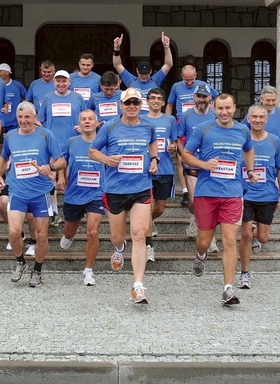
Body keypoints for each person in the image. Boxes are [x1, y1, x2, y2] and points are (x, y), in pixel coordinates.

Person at [181, 93, 256, 307]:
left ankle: (228, 289)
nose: (224, 112)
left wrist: (249, 170)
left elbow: (249, 149)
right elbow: (185, 154)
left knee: (230, 240)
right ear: (214, 108)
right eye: (220, 108)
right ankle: (201, 254)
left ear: (235, 108)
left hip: (232, 194)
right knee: (204, 240)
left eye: (228, 108)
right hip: (206, 193)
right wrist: (203, 165)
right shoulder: (203, 129)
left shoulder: (243, 130)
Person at [89, 88, 159, 304]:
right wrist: (107, 160)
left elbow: (153, 142)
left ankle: (138, 286)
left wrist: (154, 159)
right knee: (118, 237)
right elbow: (93, 150)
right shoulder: (110, 126)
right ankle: (119, 249)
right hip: (116, 190)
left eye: (136, 103)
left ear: (141, 105)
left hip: (141, 188)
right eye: (128, 103)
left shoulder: (148, 125)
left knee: (139, 234)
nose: (132, 107)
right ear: (121, 105)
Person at [0, 101, 66, 287]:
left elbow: (62, 161)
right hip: (17, 191)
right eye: (20, 117)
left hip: (41, 192)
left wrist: (49, 167)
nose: (23, 120)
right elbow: (3, 157)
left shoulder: (45, 135)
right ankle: (20, 262)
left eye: (27, 117)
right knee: (14, 231)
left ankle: (38, 270)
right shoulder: (10, 135)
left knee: (41, 235)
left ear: (35, 118)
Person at [237, 104, 280, 290]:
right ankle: (244, 273)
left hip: (268, 195)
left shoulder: (275, 141)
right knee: (245, 235)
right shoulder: (241, 140)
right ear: (248, 119)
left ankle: (255, 231)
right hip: (245, 195)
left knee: (263, 237)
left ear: (266, 120)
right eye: (254, 117)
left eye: (261, 117)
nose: (258, 120)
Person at [56, 110, 106, 285]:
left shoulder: (103, 142)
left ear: (96, 122)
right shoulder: (72, 142)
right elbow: (63, 161)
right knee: (70, 230)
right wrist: (61, 176)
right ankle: (69, 236)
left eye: (90, 119)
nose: (87, 122)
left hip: (97, 193)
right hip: (74, 193)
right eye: (83, 119)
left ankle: (88, 271)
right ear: (79, 123)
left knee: (92, 231)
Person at [38, 69, 87, 224]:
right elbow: (39, 120)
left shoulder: (78, 98)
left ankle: (73, 212)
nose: (61, 84)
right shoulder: (47, 98)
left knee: (70, 178)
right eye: (58, 81)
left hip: (73, 143)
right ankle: (53, 213)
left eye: (64, 81)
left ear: (69, 82)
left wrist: (82, 127)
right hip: (52, 144)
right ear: (54, 82)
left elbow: (85, 118)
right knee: (51, 178)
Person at [165, 64, 217, 207]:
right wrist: (166, 122)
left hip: (204, 118)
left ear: (196, 76)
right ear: (182, 77)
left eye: (192, 80)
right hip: (183, 121)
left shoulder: (203, 85)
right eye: (186, 80)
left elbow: (218, 97)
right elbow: (169, 105)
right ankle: (187, 190)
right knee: (183, 156)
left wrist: (214, 106)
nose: (189, 83)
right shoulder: (176, 86)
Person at [177, 84, 219, 253]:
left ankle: (211, 239)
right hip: (193, 163)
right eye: (199, 97)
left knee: (208, 200)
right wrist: (183, 155)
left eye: (205, 97)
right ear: (193, 98)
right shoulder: (186, 116)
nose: (202, 100)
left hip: (211, 165)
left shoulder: (216, 115)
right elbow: (178, 138)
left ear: (210, 98)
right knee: (194, 199)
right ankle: (194, 218)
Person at [144, 88, 177, 262]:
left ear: (163, 102)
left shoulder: (170, 119)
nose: (156, 101)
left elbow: (174, 143)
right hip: (146, 170)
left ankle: (144, 223)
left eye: (159, 98)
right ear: (147, 101)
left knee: (160, 208)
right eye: (152, 98)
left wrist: (173, 147)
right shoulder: (141, 119)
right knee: (147, 207)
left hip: (165, 169)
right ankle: (148, 246)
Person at [112, 32, 173, 114]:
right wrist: (116, 49)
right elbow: (117, 65)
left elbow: (168, 64)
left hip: (151, 118)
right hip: (134, 118)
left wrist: (166, 47)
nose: (144, 76)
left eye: (146, 74)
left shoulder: (155, 80)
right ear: (137, 71)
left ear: (151, 72)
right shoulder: (130, 80)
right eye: (141, 74)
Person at [242, 86, 280, 156]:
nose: (271, 103)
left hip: (277, 153)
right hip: (257, 152)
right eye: (268, 100)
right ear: (261, 99)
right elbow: (242, 132)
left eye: (273, 100)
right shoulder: (252, 114)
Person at [0, 63, 27, 136]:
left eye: (0, 71)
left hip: (14, 123)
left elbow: (27, 98)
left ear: (7, 72)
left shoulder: (17, 85)